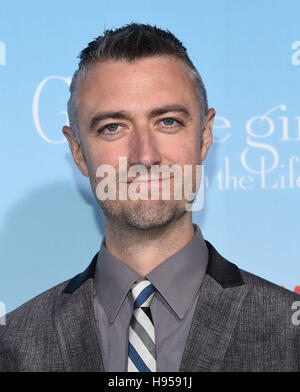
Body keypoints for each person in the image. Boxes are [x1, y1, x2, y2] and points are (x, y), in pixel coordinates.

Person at [1, 23, 300, 373]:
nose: (144, 156)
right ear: (78, 151)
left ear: (204, 136)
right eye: (113, 127)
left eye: (168, 122)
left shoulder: (290, 335)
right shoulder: (13, 345)